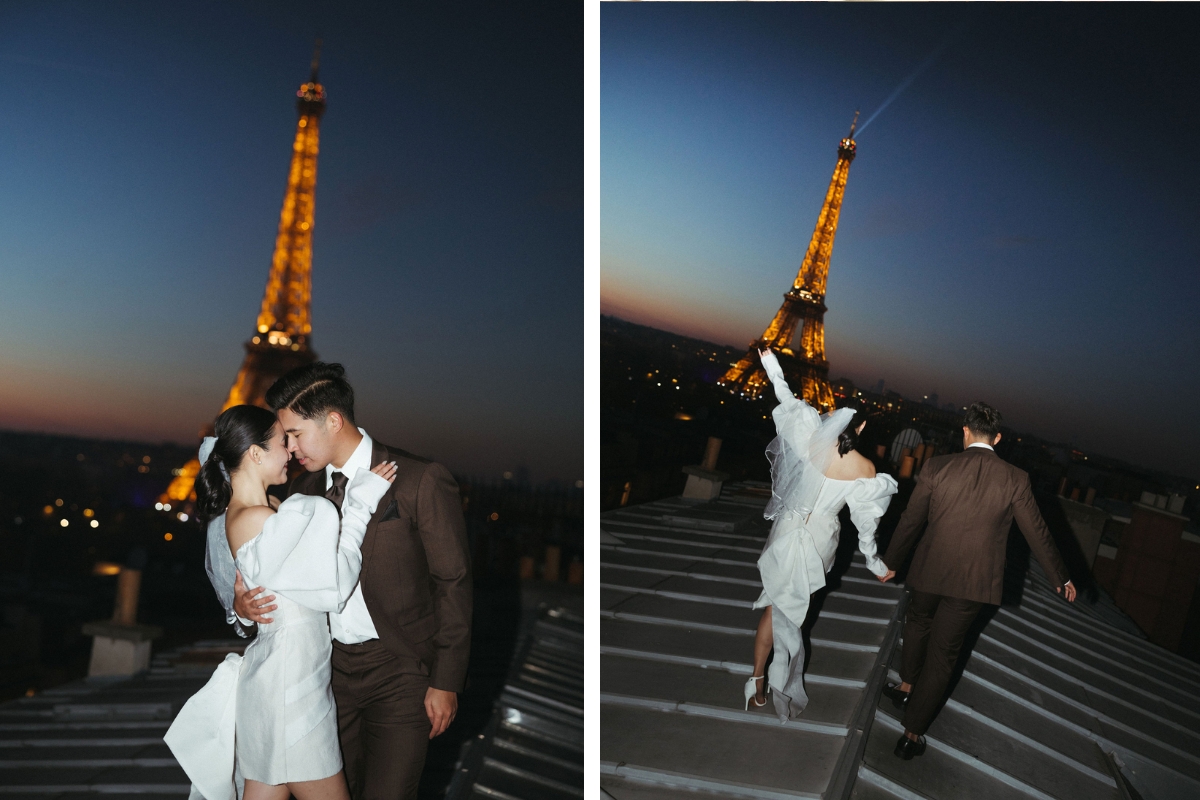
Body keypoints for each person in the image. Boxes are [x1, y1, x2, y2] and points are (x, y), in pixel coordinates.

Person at [233, 362, 472, 800]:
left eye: (295, 434)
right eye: (282, 438)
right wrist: (244, 605)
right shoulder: (298, 490)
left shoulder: (419, 479)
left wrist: (446, 680)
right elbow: (279, 578)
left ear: (333, 420)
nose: (288, 447)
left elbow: (453, 582)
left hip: (401, 671)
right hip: (325, 674)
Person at [164, 404, 397, 800]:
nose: (290, 449)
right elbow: (335, 586)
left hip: (286, 677)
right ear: (255, 453)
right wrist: (359, 506)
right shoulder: (258, 518)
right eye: (281, 442)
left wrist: (241, 607)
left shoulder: (268, 511)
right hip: (292, 686)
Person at [878, 401, 1076, 760]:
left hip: (928, 571)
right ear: (997, 438)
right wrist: (1059, 577)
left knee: (918, 622)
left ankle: (906, 685)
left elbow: (910, 520)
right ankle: (911, 734)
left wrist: (890, 561)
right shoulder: (1015, 479)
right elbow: (1038, 533)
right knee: (943, 656)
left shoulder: (937, 466)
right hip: (974, 583)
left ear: (965, 432)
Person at [747, 348, 898, 722]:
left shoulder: (812, 440)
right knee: (792, 611)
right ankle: (777, 681)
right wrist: (875, 562)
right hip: (818, 543)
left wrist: (771, 364)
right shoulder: (865, 468)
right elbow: (866, 526)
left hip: (786, 531)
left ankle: (757, 680)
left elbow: (787, 399)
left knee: (773, 605)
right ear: (860, 429)